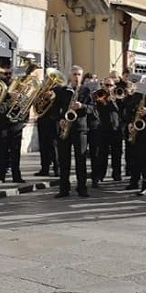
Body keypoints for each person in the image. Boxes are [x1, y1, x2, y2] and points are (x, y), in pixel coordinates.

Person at [54, 65, 93, 198]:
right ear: (70, 75)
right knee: (63, 160)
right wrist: (59, 119)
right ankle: (63, 189)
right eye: (75, 74)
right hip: (65, 128)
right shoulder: (62, 90)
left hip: (80, 129)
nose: (77, 77)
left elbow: (93, 109)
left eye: (79, 74)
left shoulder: (86, 91)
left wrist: (82, 106)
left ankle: (82, 188)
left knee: (80, 160)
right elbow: (55, 108)